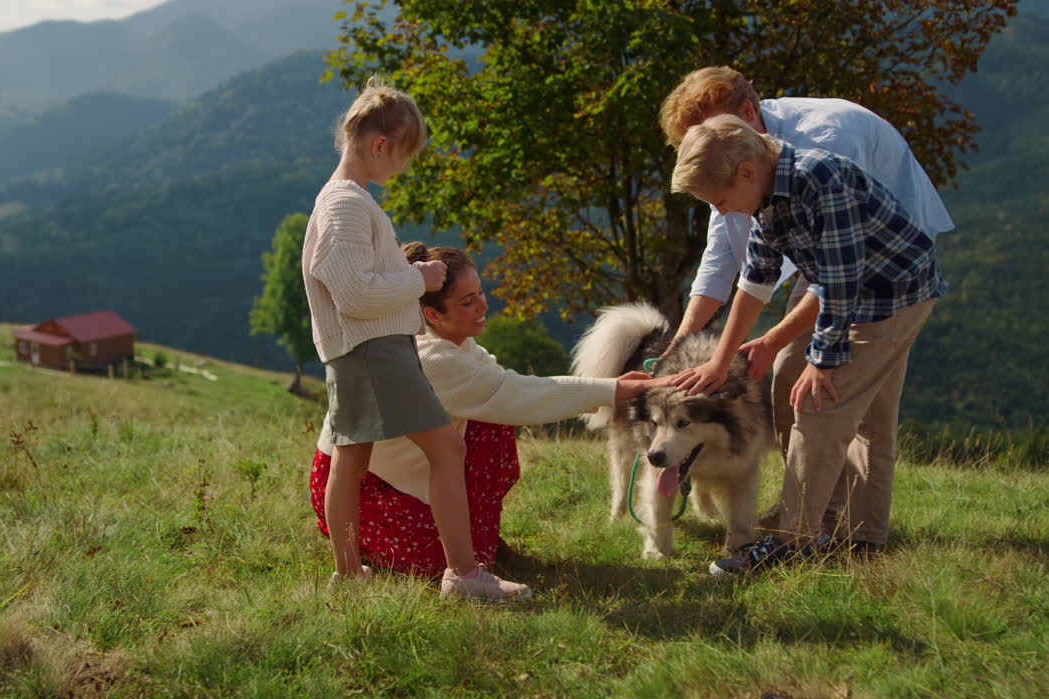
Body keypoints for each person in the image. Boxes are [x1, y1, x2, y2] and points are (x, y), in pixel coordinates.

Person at [659, 66, 954, 541]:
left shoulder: (822, 173)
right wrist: (717, 359)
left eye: (719, 201)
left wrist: (823, 360)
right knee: (850, 407)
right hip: (853, 281)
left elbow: (841, 285)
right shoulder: (764, 188)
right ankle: (861, 537)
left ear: (746, 170)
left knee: (819, 404)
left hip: (891, 294)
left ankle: (793, 539)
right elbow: (753, 281)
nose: (719, 212)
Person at [310, 243, 673, 578]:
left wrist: (614, 388)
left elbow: (503, 383)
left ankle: (480, 545)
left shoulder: (455, 345)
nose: (483, 305)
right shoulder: (431, 356)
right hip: (362, 487)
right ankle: (450, 553)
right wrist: (615, 389)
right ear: (432, 314)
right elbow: (516, 393)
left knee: (492, 419)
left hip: (398, 475)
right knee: (435, 560)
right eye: (468, 301)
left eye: (480, 291)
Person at [302, 77, 529, 601]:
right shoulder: (347, 205)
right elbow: (354, 293)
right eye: (401, 157)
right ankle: (466, 576)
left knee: (350, 459)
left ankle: (348, 573)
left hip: (353, 351)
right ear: (379, 145)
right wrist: (420, 281)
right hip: (375, 350)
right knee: (447, 449)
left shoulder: (338, 201)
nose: (400, 170)